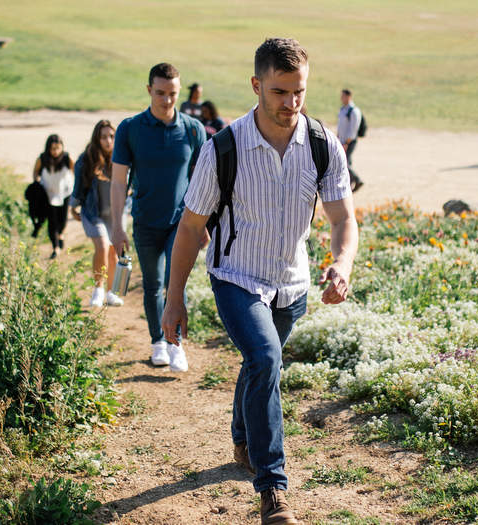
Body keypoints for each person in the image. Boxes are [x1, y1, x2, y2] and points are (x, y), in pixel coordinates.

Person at [161, 37, 359, 525]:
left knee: (258, 363)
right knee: (266, 357)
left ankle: (244, 438)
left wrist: (342, 266)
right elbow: (190, 228)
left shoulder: (321, 144)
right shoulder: (223, 149)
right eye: (279, 92)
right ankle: (273, 490)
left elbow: (343, 221)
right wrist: (174, 299)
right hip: (235, 278)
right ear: (256, 86)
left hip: (291, 285)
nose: (291, 103)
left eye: (299, 92)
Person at [110, 63, 207, 373]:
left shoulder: (193, 129)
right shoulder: (130, 128)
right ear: (149, 89)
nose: (167, 100)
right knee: (152, 284)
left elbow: (206, 181)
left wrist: (205, 224)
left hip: (182, 224)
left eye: (173, 94)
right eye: (161, 93)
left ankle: (176, 343)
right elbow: (117, 181)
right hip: (144, 221)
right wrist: (116, 225)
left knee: (175, 284)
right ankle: (157, 343)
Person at [71, 120, 124, 307]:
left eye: (111, 136)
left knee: (113, 253)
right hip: (93, 213)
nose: (108, 141)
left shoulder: (121, 158)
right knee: (102, 245)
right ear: (97, 138)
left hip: (115, 214)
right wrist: (73, 206)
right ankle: (98, 289)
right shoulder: (86, 159)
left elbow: (131, 184)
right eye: (103, 137)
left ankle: (111, 292)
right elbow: (78, 186)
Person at [33, 134, 74, 258]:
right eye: (53, 148)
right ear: (48, 148)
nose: (55, 151)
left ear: (62, 147)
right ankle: (55, 247)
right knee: (52, 221)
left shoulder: (67, 158)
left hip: (65, 192)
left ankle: (61, 234)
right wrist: (37, 183)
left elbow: (74, 170)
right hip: (48, 193)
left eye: (58, 148)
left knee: (62, 219)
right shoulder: (42, 158)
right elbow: (36, 171)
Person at [336, 89, 364, 192]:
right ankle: (350, 182)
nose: (341, 98)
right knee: (348, 162)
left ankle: (357, 180)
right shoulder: (343, 109)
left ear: (349, 97)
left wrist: (347, 143)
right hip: (342, 140)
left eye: (343, 96)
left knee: (345, 162)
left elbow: (353, 129)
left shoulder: (354, 111)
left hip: (349, 141)